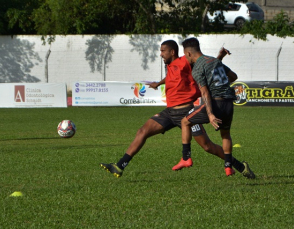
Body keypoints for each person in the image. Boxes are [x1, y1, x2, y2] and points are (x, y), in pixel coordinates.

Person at [100, 40, 242, 178]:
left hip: (186, 112)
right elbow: (170, 77)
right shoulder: (171, 66)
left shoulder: (185, 61)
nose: (160, 54)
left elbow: (206, 66)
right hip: (169, 113)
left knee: (207, 147)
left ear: (172, 52)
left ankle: (238, 165)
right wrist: (158, 83)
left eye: (163, 51)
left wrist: (219, 57)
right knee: (142, 131)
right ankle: (119, 166)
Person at [180, 37, 255, 178]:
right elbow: (233, 76)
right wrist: (219, 60)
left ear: (188, 53)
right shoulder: (214, 61)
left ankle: (186, 158)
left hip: (215, 103)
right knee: (225, 134)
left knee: (185, 122)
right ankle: (228, 167)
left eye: (185, 55)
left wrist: (210, 114)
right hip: (229, 103)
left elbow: (204, 92)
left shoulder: (197, 68)